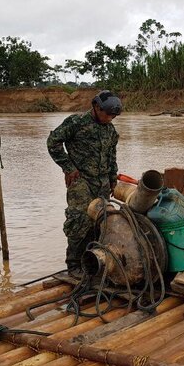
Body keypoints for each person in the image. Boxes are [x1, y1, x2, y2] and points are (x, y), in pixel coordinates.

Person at [47, 90, 122, 275]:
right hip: (81, 180)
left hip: (102, 182)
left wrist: (113, 179)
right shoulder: (76, 122)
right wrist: (68, 167)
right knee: (79, 221)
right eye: (108, 114)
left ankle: (94, 260)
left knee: (101, 221)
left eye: (114, 115)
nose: (111, 118)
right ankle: (74, 265)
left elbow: (112, 157)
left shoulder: (111, 131)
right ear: (96, 107)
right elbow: (53, 141)